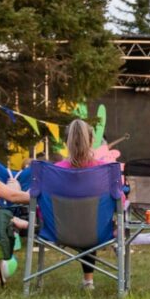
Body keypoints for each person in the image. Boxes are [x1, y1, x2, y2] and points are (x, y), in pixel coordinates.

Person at [56, 119, 104, 290]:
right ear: (91, 141)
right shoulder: (104, 170)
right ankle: (88, 281)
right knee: (89, 220)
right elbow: (119, 200)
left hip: (59, 230)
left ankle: (88, 281)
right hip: (97, 231)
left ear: (65, 143)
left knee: (83, 220)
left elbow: (39, 198)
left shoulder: (55, 170)